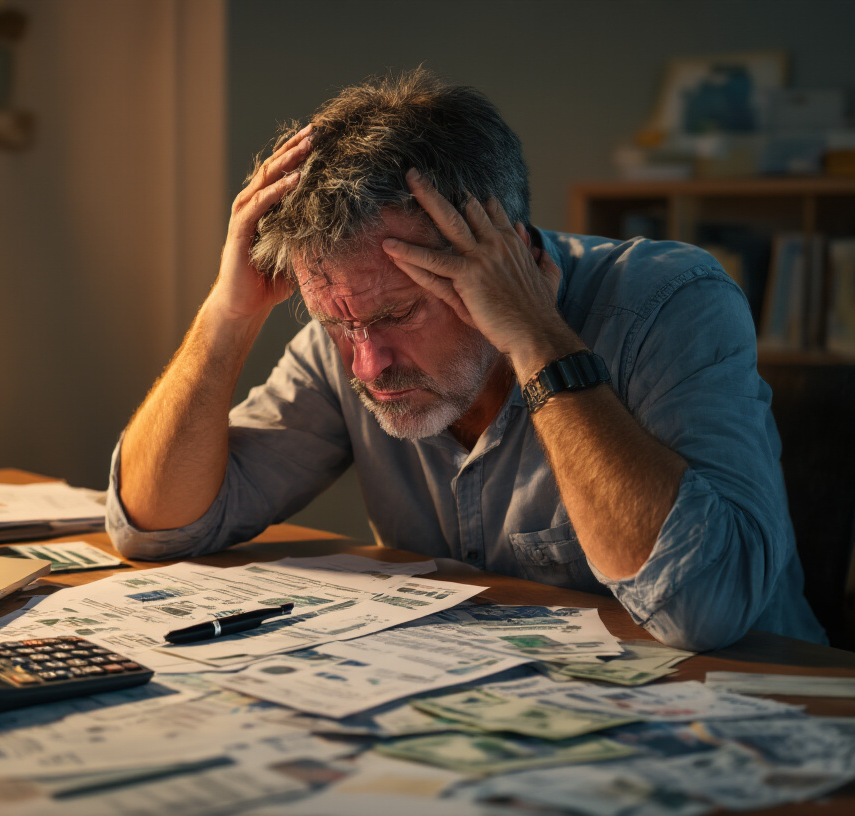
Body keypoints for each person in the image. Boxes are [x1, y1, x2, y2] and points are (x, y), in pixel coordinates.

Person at [104, 70, 825, 651]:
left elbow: (708, 610)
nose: (368, 365)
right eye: (335, 324)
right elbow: (158, 525)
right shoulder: (354, 336)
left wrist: (538, 338)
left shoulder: (669, 302)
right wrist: (228, 315)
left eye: (397, 314)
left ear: (507, 256)